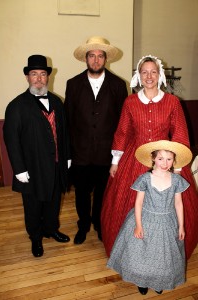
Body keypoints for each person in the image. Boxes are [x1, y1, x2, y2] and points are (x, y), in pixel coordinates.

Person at [101, 55, 198, 260]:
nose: (149, 76)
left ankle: (163, 257)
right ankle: (133, 256)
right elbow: (122, 132)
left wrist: (177, 167)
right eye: (144, 72)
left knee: (167, 210)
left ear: (159, 74)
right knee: (130, 207)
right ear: (139, 75)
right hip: (135, 159)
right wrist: (115, 161)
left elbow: (180, 132)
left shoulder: (172, 102)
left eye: (153, 71)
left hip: (166, 162)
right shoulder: (130, 102)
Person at [3, 55, 71, 257]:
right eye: (34, 74)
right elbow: (11, 140)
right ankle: (35, 238)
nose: (39, 79)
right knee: (33, 206)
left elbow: (64, 131)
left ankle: (51, 229)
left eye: (43, 74)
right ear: (27, 77)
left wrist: (67, 156)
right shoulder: (16, 106)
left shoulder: (57, 102)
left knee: (53, 202)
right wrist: (19, 169)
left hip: (56, 164)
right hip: (32, 168)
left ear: (48, 77)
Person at [64, 36, 128, 244]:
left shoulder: (118, 85)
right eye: (92, 55)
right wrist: (68, 154)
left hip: (106, 154)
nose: (96, 60)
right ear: (86, 58)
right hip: (80, 153)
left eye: (100, 56)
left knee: (102, 194)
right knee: (81, 194)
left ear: (106, 59)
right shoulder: (73, 85)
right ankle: (83, 225)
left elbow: (122, 123)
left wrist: (118, 155)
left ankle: (100, 225)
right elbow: (68, 120)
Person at [107, 140, 192, 295]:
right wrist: (138, 225)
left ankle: (159, 281)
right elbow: (138, 203)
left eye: (169, 159)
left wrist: (181, 226)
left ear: (174, 160)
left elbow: (178, 204)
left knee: (163, 256)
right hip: (145, 219)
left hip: (168, 222)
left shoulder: (177, 180)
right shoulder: (145, 178)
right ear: (153, 159)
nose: (165, 163)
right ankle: (142, 281)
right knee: (142, 254)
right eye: (160, 158)